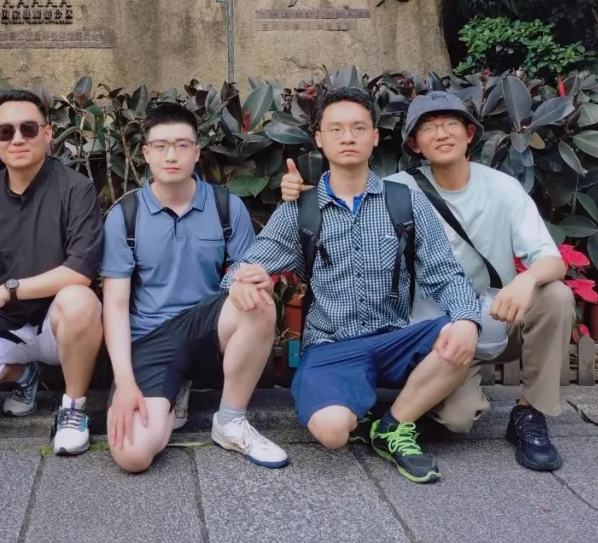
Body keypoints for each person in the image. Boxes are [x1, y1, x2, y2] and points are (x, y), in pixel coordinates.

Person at [282, 90, 571, 470]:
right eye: (429, 128)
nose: (442, 133)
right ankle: (404, 413)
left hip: (496, 315)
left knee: (556, 296)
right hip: (435, 329)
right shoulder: (398, 190)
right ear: (415, 144)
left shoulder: (503, 188)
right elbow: (347, 196)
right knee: (457, 420)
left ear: (469, 133)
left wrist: (527, 279)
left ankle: (531, 411)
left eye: (451, 124)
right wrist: (299, 194)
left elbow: (553, 260)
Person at [230, 88, 480, 483]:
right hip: (331, 345)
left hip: (395, 340)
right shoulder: (300, 210)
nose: (348, 137)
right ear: (319, 138)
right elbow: (247, 265)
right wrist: (241, 282)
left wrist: (467, 318)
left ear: (375, 137)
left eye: (359, 128)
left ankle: (392, 426)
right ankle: (356, 407)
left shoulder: (406, 203)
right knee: (332, 432)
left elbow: (445, 274)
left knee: (459, 332)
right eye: (336, 129)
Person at [101, 103, 288, 473]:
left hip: (207, 327)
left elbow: (247, 272)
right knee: (132, 455)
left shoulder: (226, 207)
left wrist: (255, 283)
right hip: (151, 338)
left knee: (257, 298)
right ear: (146, 154)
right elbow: (116, 305)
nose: (171, 156)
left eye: (182, 145)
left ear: (197, 152)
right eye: (161, 146)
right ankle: (172, 395)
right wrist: (124, 383)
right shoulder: (126, 216)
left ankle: (230, 422)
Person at [0, 90, 104, 456]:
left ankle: (73, 409)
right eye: (6, 131)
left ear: (47, 134)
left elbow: (80, 270)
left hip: (58, 323)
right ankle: (23, 375)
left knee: (79, 299)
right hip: (6, 325)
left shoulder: (76, 189)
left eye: (28, 128)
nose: (17, 139)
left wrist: (3, 292)